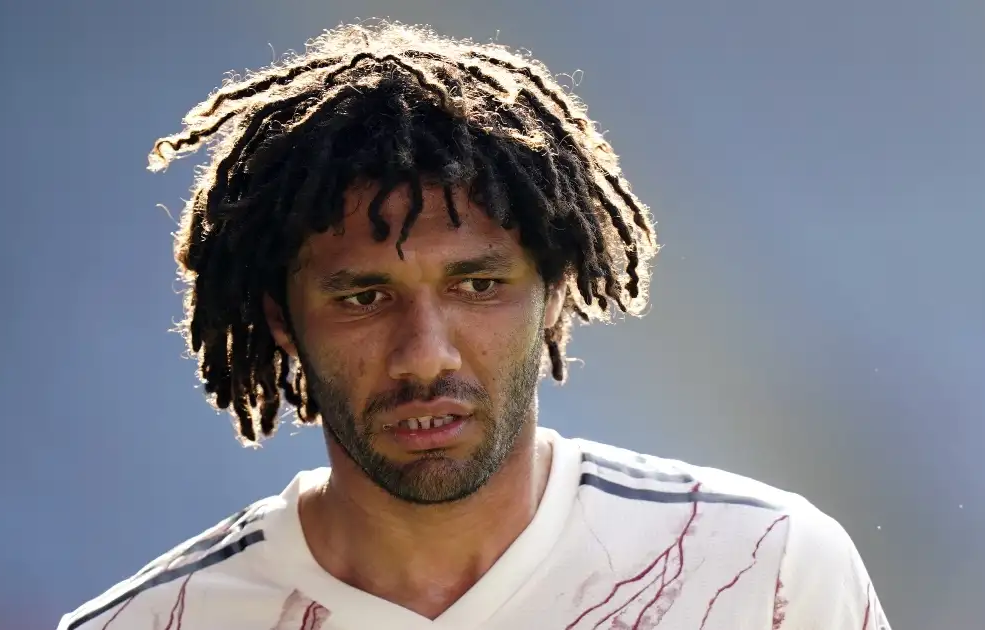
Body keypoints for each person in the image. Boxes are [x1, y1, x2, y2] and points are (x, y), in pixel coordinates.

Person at [59, 21, 890, 630]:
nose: (425, 355)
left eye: (478, 285)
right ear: (283, 320)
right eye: (364, 298)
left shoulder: (768, 572)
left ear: (555, 294)